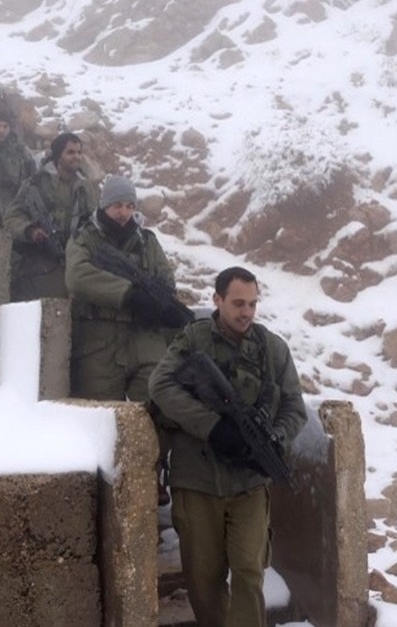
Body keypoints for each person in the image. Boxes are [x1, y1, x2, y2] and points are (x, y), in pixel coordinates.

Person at [147, 266, 309, 627]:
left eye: (252, 304)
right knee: (204, 580)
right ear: (217, 300)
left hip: (249, 483)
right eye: (238, 303)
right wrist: (214, 427)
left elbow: (294, 407)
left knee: (250, 571)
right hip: (198, 480)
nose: (246, 312)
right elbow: (161, 386)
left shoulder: (272, 349)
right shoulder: (193, 340)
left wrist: (275, 438)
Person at [64, 176, 182, 401]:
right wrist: (128, 294)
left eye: (129, 206)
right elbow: (77, 276)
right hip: (100, 341)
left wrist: (156, 298)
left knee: (157, 408)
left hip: (145, 339)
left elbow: (166, 278)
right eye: (117, 205)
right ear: (104, 205)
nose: (124, 212)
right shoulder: (85, 237)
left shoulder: (147, 241)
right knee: (100, 412)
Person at [2, 132, 97, 301]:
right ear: (58, 155)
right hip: (41, 260)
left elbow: (94, 219)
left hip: (76, 259)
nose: (76, 157)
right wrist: (30, 230)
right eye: (70, 152)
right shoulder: (35, 184)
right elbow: (11, 217)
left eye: (79, 152)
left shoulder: (85, 186)